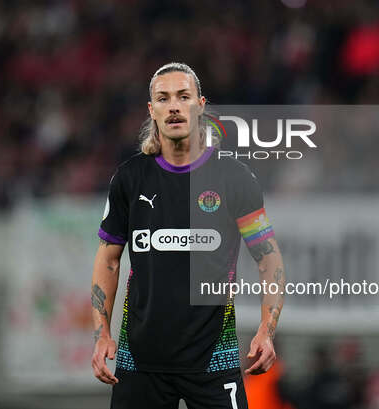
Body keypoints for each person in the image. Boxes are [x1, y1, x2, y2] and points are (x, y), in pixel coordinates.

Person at [90, 62, 285, 409]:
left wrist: (266, 331)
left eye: (183, 96)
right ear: (152, 111)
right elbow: (108, 258)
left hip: (214, 361)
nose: (175, 106)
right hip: (141, 361)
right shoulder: (130, 179)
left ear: (200, 105)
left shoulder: (233, 177)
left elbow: (268, 258)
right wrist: (101, 332)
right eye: (163, 99)